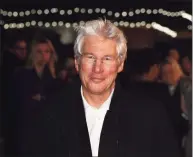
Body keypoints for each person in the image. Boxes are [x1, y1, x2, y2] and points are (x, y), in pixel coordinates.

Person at [30, 19, 180, 157]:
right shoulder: (48, 114)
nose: (97, 68)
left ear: (120, 64)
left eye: (107, 59)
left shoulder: (150, 115)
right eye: (90, 57)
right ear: (77, 62)